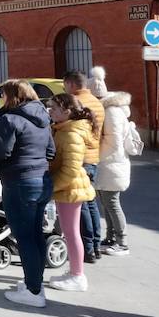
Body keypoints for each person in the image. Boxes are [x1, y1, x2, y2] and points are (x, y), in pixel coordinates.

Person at [0, 80, 56, 308]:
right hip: (42, 180)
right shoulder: (43, 119)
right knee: (35, 235)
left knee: (25, 237)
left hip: (19, 182)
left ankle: (34, 292)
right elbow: (51, 151)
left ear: (13, 96)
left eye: (4, 95)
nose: (2, 99)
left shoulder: (10, 119)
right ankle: (35, 282)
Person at [46, 93, 98, 293]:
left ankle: (78, 275)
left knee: (71, 232)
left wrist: (50, 187)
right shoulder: (63, 128)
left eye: (54, 108)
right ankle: (75, 271)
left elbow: (71, 170)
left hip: (71, 189)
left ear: (66, 112)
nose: (50, 111)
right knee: (70, 232)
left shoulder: (70, 134)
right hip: (68, 188)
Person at [63, 70, 106, 264]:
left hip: (79, 157)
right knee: (90, 202)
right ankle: (95, 245)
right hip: (93, 155)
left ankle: (87, 248)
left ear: (71, 84)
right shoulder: (96, 101)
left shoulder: (75, 103)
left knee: (81, 206)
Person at [95, 81, 134, 256]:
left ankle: (122, 241)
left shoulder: (111, 112)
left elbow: (114, 142)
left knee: (112, 203)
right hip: (108, 163)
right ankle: (110, 237)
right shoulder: (110, 110)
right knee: (106, 202)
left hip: (111, 164)